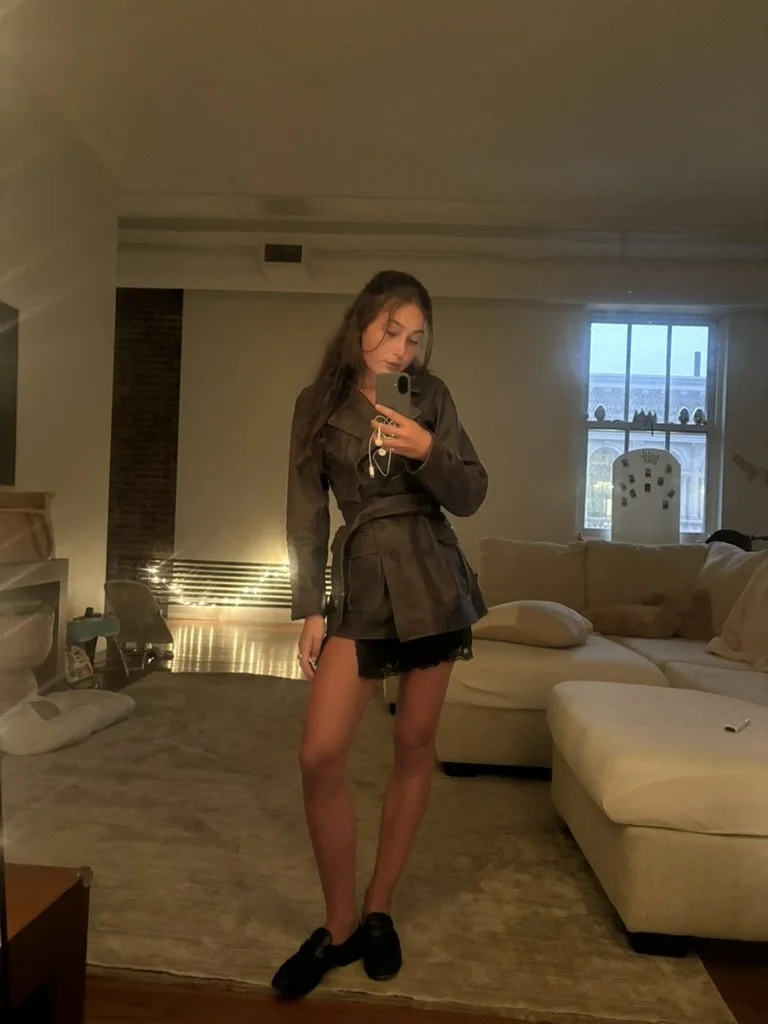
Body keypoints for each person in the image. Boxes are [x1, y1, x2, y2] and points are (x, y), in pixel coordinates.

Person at [272, 270, 487, 999]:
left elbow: (472, 492)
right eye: (391, 331)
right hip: (362, 576)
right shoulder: (316, 403)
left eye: (415, 338)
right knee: (320, 753)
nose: (402, 349)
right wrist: (310, 606)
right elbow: (305, 510)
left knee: (413, 744)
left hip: (432, 577)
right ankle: (337, 924)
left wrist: (428, 449)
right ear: (360, 322)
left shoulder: (432, 396)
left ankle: (377, 908)